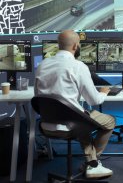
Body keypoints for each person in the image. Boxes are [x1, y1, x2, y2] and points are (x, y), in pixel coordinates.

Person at [34, 30, 115, 178]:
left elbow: (37, 96)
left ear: (59, 45)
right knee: (109, 121)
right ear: (76, 46)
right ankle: (93, 164)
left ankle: (91, 162)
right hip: (72, 124)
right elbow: (94, 101)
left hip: (46, 125)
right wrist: (103, 92)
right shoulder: (78, 66)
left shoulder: (42, 65)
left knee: (80, 114)